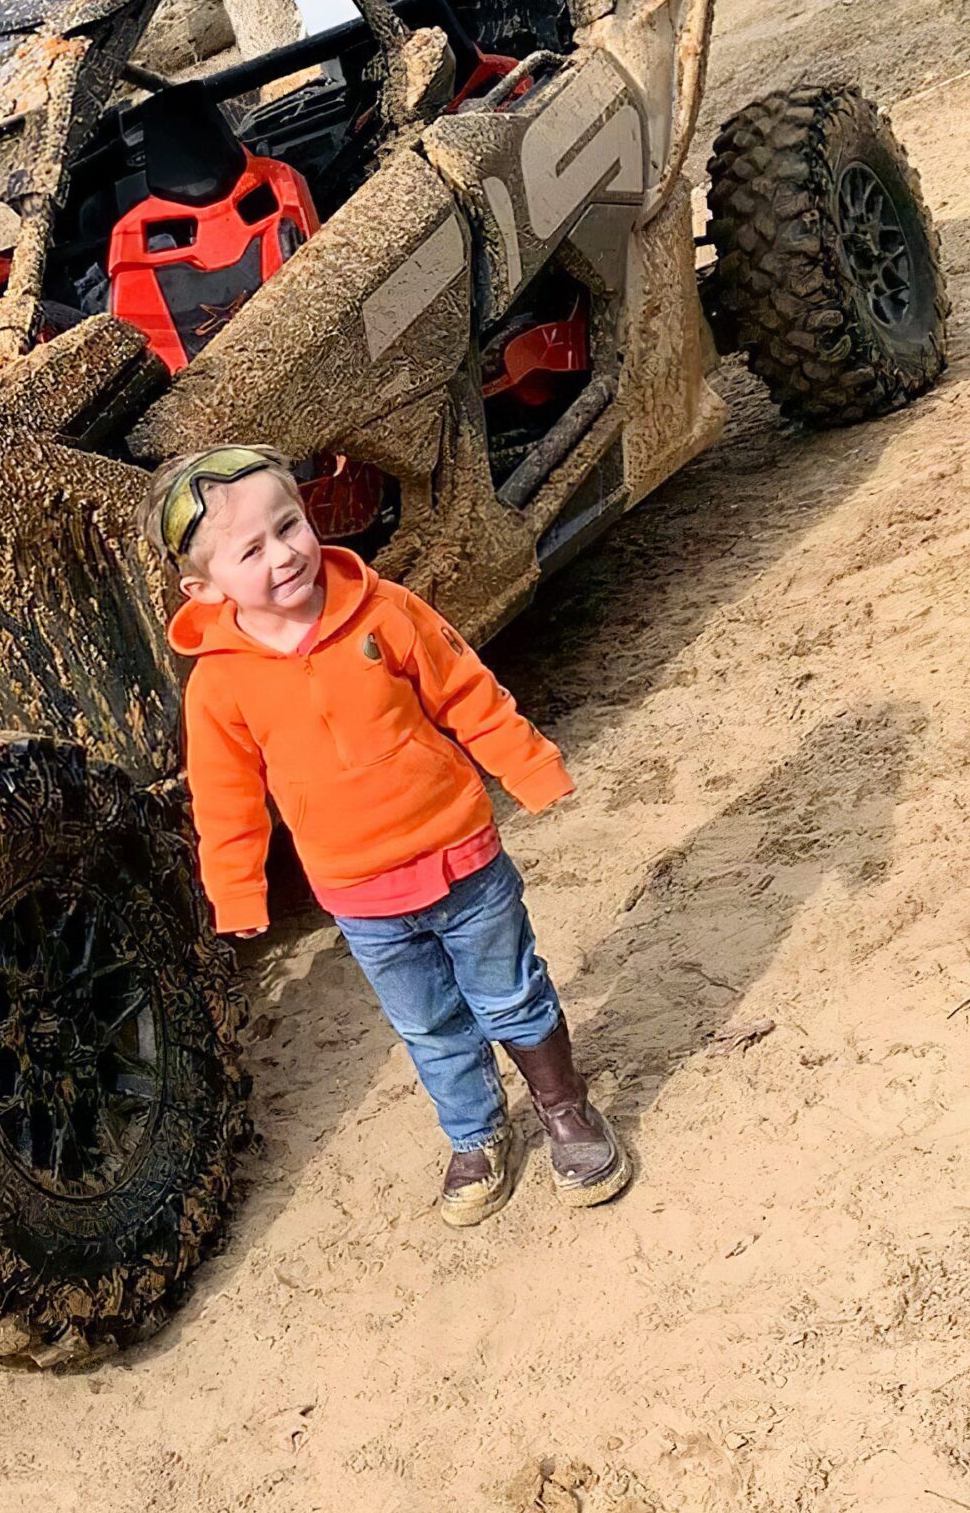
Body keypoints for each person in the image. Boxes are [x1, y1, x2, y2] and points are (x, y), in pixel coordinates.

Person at [150, 444, 630, 1227]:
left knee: (510, 994)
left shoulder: (383, 611)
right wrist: (235, 891)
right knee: (430, 1023)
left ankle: (565, 1110)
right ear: (204, 589)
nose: (285, 553)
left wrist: (529, 766)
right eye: (252, 548)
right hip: (361, 896)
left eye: (290, 524)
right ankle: (476, 1136)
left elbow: (467, 691)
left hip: (462, 859)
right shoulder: (219, 685)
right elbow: (225, 797)